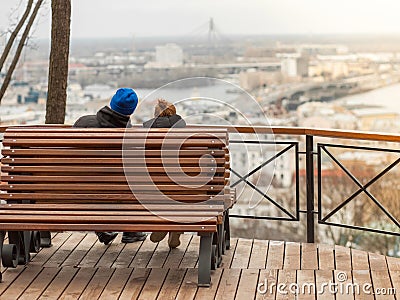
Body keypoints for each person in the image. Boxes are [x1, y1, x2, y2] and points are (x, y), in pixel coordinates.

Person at [73, 88, 147, 245]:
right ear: (131, 110)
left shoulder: (84, 123)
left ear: (112, 103)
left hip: (76, 190)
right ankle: (131, 231)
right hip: (115, 193)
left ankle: (104, 227)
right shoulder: (130, 136)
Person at [143, 99, 186, 248]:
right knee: (179, 190)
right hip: (181, 190)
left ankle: (162, 223)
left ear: (155, 115)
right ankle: (174, 225)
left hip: (152, 190)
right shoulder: (184, 133)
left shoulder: (145, 132)